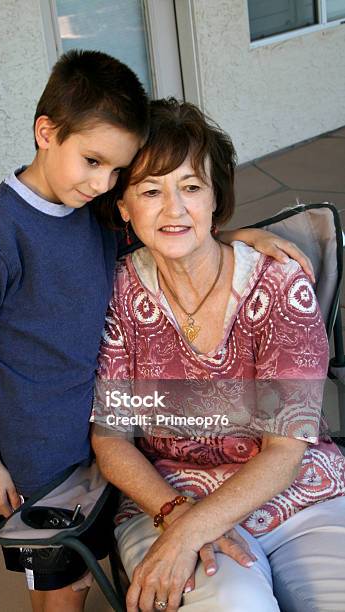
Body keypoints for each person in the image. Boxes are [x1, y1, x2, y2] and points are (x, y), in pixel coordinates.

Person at [0, 50, 313, 611]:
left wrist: (237, 237)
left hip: (100, 436)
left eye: (116, 170)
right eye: (91, 161)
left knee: (90, 564)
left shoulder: (90, 211)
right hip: (36, 452)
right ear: (45, 132)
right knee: (62, 584)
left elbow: (170, 234)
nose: (103, 182)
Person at [91, 98, 345, 612]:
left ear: (214, 200)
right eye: (150, 191)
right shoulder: (116, 294)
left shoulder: (277, 284)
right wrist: (177, 519)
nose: (174, 209)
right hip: (165, 496)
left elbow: (284, 452)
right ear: (124, 207)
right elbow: (111, 439)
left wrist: (189, 532)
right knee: (232, 604)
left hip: (296, 498)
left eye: (190, 187)